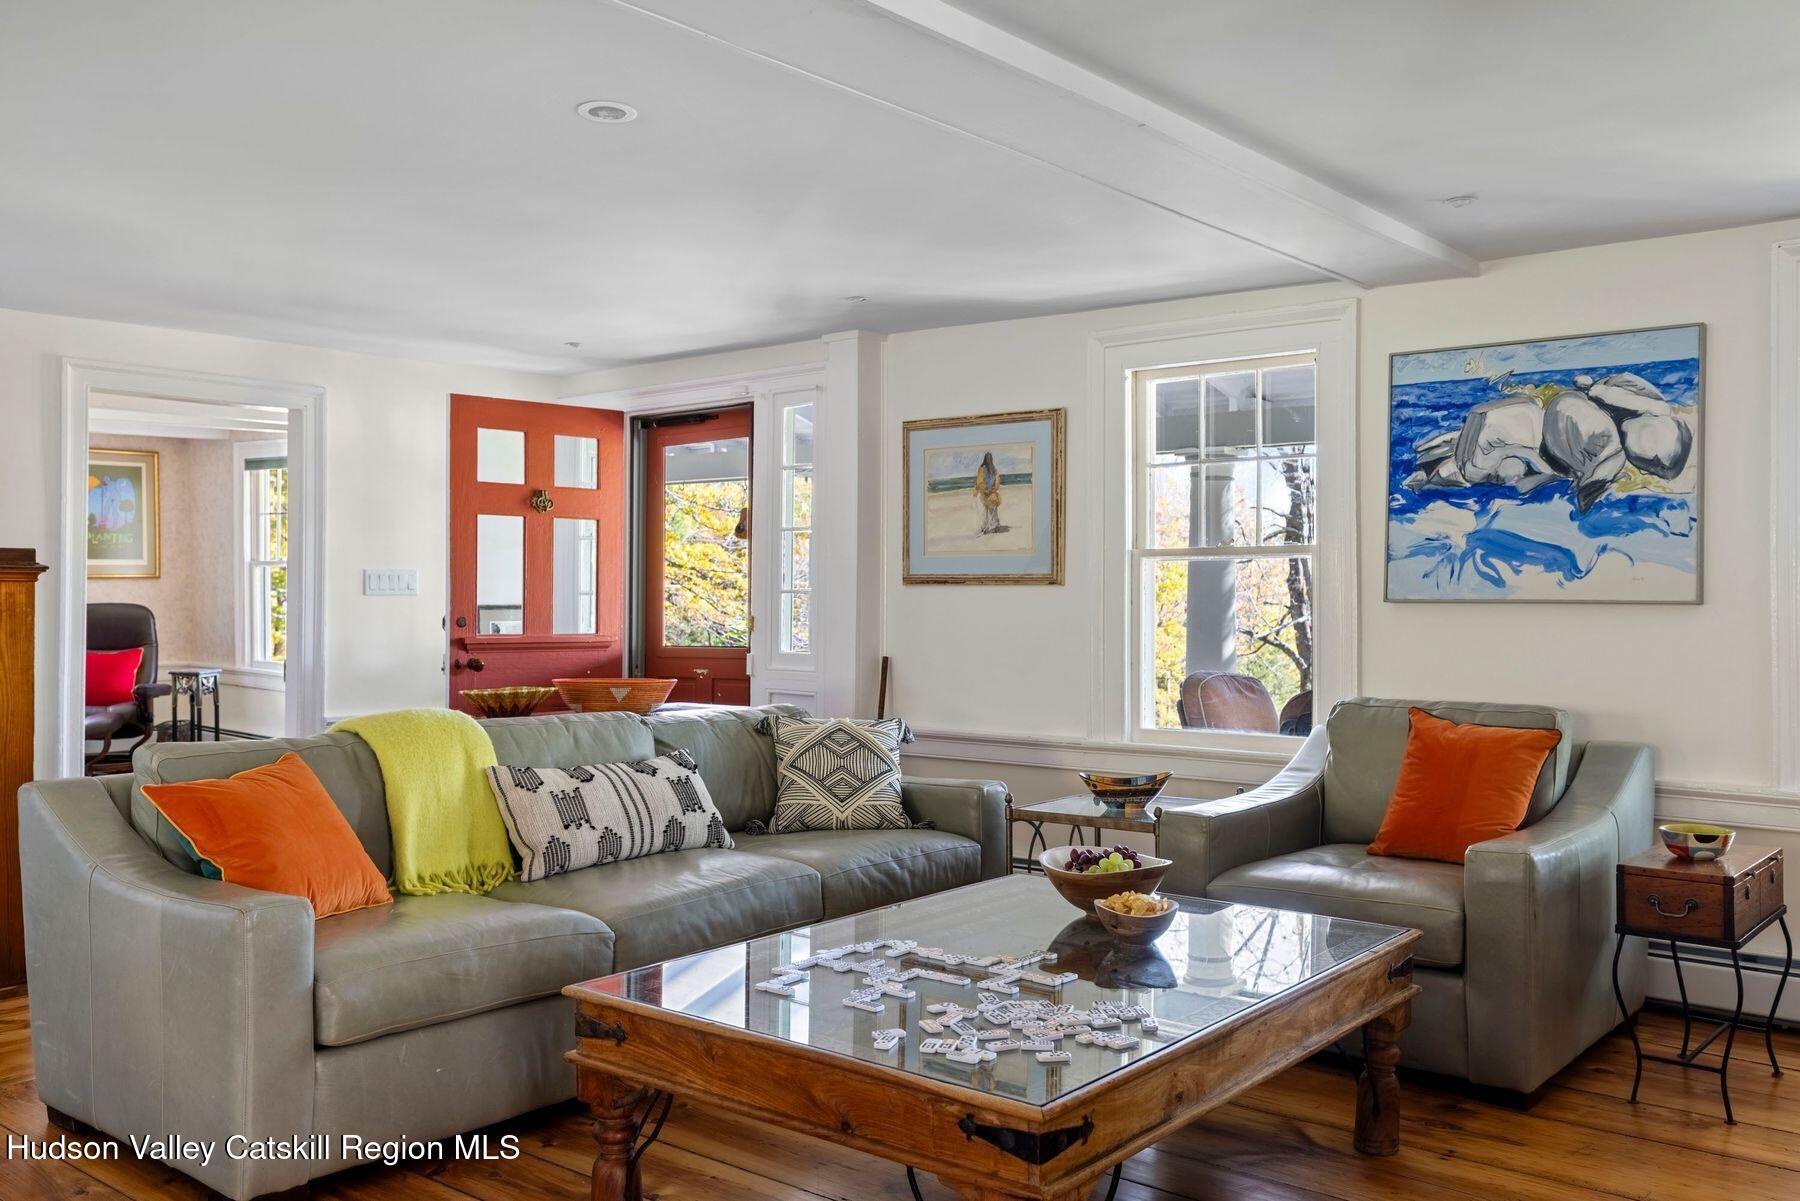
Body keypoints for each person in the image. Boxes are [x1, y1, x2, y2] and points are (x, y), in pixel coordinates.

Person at [971, 451, 1002, 534]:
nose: (989, 460)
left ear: (991, 459)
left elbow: (998, 480)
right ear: (985, 459)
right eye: (987, 459)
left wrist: (994, 489)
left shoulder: (994, 469)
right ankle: (984, 527)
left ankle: (993, 527)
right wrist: (985, 489)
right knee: (983, 512)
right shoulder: (981, 468)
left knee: (993, 510)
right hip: (982, 492)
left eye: (990, 459)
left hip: (991, 492)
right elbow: (980, 482)